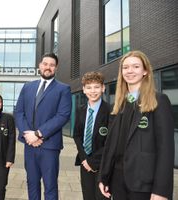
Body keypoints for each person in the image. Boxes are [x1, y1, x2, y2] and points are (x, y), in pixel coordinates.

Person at [98, 50, 175, 200]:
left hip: (144, 183)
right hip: (118, 181)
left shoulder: (159, 101)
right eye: (125, 67)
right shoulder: (118, 105)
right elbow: (110, 145)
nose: (130, 71)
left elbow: (166, 149)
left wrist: (161, 190)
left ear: (145, 71)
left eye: (135, 66)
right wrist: (104, 176)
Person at [14, 53, 72, 200]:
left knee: (50, 185)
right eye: (45, 64)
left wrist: (38, 134)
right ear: (40, 65)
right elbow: (19, 112)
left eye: (52, 65)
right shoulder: (27, 87)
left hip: (50, 146)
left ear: (56, 68)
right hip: (29, 145)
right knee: (32, 183)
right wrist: (28, 135)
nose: (48, 67)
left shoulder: (63, 89)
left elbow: (62, 115)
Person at [73, 72, 110, 200]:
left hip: (103, 164)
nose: (92, 91)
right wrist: (84, 159)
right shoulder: (80, 110)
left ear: (103, 88)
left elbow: (111, 142)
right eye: (89, 87)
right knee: (87, 196)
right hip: (85, 163)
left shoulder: (111, 111)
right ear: (83, 90)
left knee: (101, 197)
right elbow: (77, 135)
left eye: (96, 87)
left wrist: (92, 162)